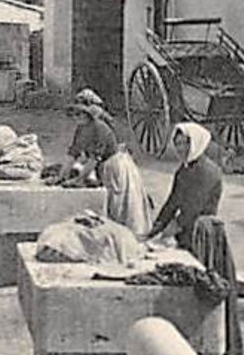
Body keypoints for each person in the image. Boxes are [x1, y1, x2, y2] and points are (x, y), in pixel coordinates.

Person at [65, 88, 153, 236]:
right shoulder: (81, 129)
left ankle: (126, 236)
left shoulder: (100, 128)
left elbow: (94, 159)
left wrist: (78, 180)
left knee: (121, 205)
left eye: (80, 113)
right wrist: (62, 175)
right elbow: (72, 153)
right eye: (74, 113)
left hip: (116, 167)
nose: (76, 117)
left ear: (89, 114)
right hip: (105, 167)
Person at [149, 122, 224, 253]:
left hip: (202, 234)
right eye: (177, 144)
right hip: (186, 231)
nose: (180, 149)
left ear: (195, 143)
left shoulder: (208, 172)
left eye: (185, 144)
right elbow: (172, 202)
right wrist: (156, 227)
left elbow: (193, 208)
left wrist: (172, 227)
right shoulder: (183, 171)